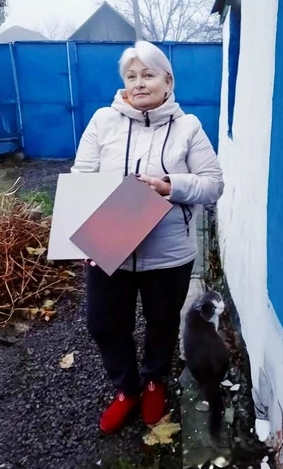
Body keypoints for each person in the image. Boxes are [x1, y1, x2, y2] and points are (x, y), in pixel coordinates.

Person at [71, 40, 224, 433]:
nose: (139, 83)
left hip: (168, 253)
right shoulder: (103, 121)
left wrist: (170, 186)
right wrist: (82, 236)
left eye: (148, 75)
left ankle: (155, 380)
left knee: (161, 323)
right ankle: (127, 389)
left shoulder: (188, 127)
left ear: (168, 80)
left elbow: (213, 184)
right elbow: (81, 177)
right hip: (110, 247)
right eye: (131, 76)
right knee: (103, 324)